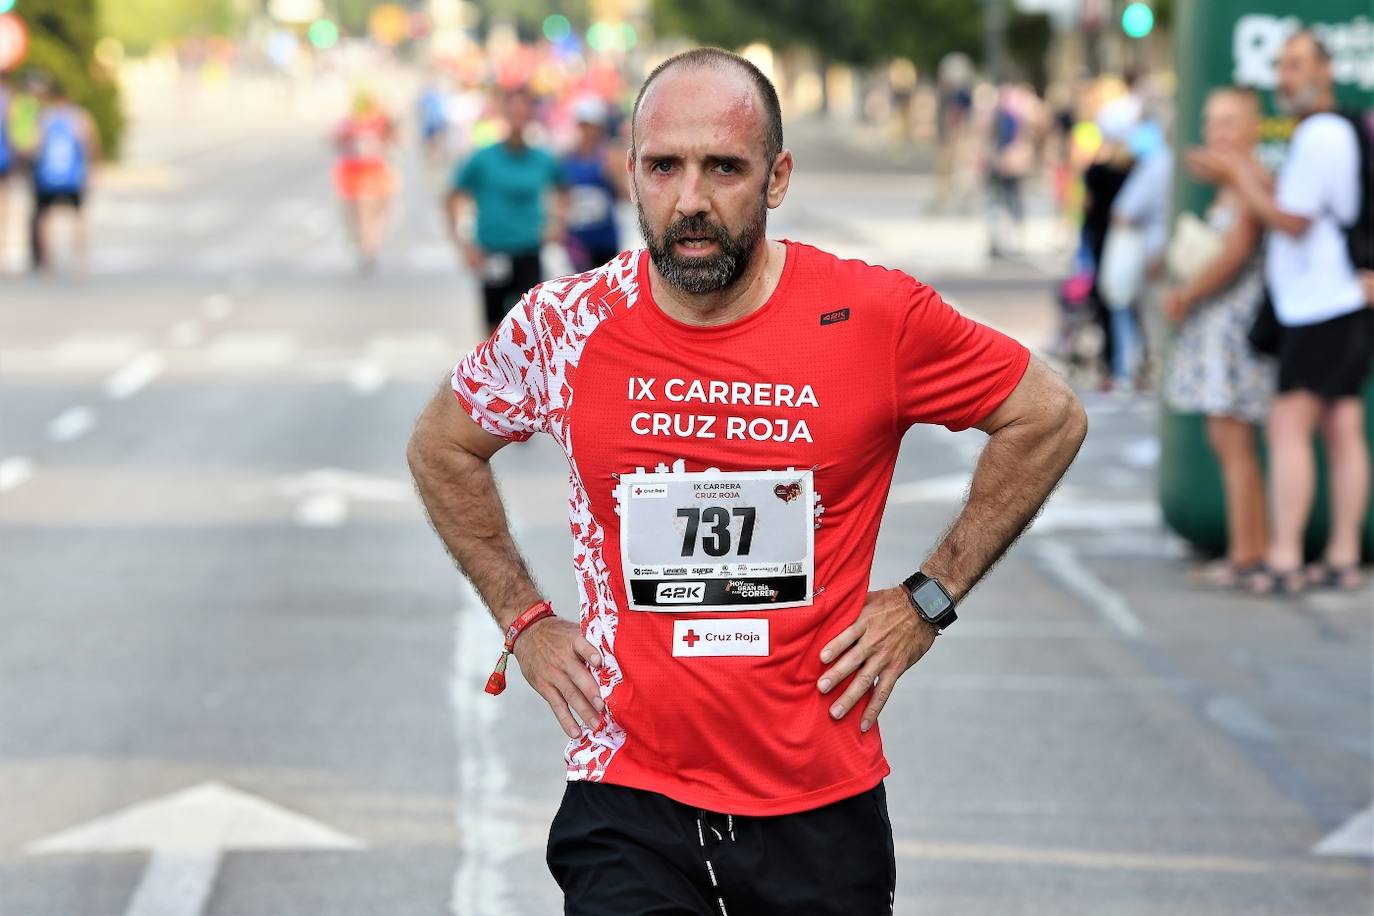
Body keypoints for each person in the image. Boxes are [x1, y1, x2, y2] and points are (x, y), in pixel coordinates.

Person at [409, 48, 1087, 914]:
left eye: (723, 167)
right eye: (664, 167)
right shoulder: (567, 325)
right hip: (628, 795)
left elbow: (1048, 414)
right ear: (631, 175)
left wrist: (930, 596)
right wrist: (526, 620)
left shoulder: (872, 316)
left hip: (818, 805)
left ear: (776, 177)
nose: (690, 200)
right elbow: (443, 445)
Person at [1189, 31, 1371, 594]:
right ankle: (1341, 553)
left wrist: (1238, 174)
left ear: (1325, 68)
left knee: (1290, 423)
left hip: (1322, 303)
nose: (1284, 77)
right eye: (1280, 66)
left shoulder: (1319, 132)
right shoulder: (1332, 131)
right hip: (1336, 299)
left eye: (1295, 65)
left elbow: (1291, 219)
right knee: (1341, 425)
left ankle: (1285, 555)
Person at [1164, 87, 1274, 588]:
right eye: (1212, 122)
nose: (1217, 133)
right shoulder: (1234, 184)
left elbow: (1234, 253)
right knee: (1226, 436)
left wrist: (1189, 294)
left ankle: (1249, 553)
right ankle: (1245, 546)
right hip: (1218, 325)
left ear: (1253, 127)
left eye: (1229, 121)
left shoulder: (1252, 181)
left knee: (1233, 439)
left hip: (1233, 327)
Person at [446, 87, 568, 334]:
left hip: (528, 250)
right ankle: (491, 373)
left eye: (524, 112)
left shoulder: (543, 159)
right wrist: (463, 243)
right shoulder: (483, 159)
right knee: (493, 329)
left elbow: (564, 191)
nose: (518, 119)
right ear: (503, 114)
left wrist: (557, 224)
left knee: (530, 327)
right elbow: (452, 197)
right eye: (513, 112)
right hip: (492, 251)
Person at [30, 80, 99, 273]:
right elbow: (90, 144)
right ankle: (81, 262)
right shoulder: (79, 117)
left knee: (45, 217)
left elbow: (36, 146)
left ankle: (46, 262)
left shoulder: (45, 118)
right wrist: (92, 169)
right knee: (78, 217)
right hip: (72, 177)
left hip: (47, 176)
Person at [560, 95, 628, 272]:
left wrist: (612, 173)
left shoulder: (610, 156)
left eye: (594, 127)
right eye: (586, 126)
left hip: (605, 238)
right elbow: (560, 199)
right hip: (577, 241)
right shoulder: (566, 158)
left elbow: (626, 194)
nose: (590, 132)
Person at [332, 89, 396, 273]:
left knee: (375, 211)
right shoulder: (348, 124)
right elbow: (334, 141)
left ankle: (370, 245)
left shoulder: (381, 121)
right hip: (353, 172)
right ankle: (366, 246)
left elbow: (396, 139)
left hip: (375, 171)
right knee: (359, 213)